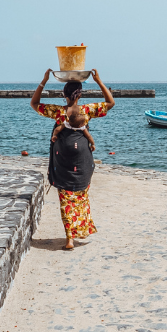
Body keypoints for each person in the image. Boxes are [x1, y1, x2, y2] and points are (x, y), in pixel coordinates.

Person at [30, 69, 115, 250]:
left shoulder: (58, 112)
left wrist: (43, 81)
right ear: (80, 95)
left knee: (66, 198)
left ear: (64, 94)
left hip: (63, 160)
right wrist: (99, 81)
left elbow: (34, 103)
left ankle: (69, 238)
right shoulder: (86, 111)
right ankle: (79, 231)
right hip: (82, 159)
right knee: (81, 195)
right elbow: (110, 102)